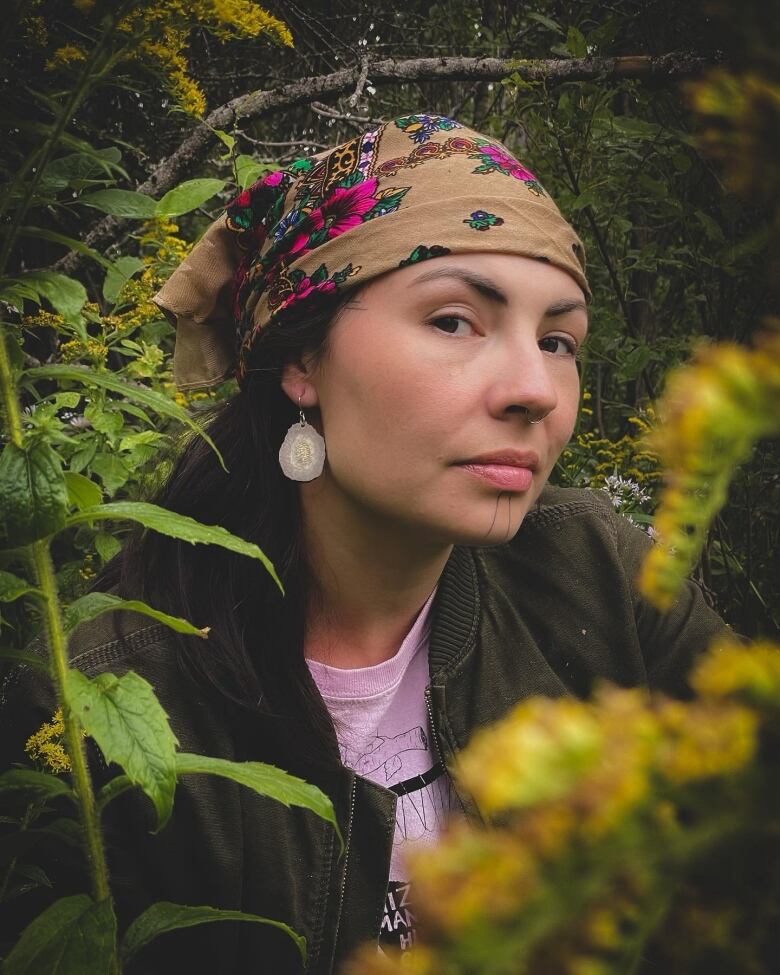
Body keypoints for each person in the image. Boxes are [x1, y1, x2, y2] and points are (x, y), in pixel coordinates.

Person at [1, 113, 726, 973]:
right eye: (455, 320)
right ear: (302, 359)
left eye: (558, 340)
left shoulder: (603, 575)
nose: (537, 389)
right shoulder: (99, 694)